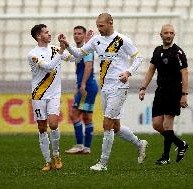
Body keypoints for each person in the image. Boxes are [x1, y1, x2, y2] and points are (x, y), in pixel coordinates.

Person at [59, 13, 148, 171]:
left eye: (102, 25)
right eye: (97, 25)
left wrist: (128, 72)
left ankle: (103, 163)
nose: (99, 29)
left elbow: (139, 57)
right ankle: (140, 143)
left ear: (110, 23)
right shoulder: (96, 40)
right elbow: (79, 54)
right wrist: (67, 45)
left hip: (119, 87)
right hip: (105, 87)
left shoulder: (122, 40)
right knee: (116, 127)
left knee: (107, 124)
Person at [139, 24, 189, 165]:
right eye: (166, 33)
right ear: (160, 35)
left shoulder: (178, 52)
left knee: (168, 124)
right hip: (160, 91)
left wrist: (184, 94)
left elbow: (184, 73)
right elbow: (151, 70)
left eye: (171, 33)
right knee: (156, 125)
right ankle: (181, 144)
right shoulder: (157, 51)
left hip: (174, 91)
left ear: (174, 35)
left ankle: (165, 157)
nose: (168, 35)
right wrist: (143, 87)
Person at [28, 24, 68, 171]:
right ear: (39, 36)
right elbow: (49, 66)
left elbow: (74, 58)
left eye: (49, 31)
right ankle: (47, 161)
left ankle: (56, 154)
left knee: (53, 124)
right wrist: (62, 50)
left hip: (54, 94)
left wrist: (79, 45)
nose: (49, 34)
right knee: (41, 127)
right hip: (39, 94)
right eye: (46, 32)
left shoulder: (56, 49)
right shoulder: (32, 54)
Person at [65, 26, 98, 154]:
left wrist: (83, 85)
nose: (76, 35)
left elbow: (88, 66)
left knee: (74, 114)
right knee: (87, 117)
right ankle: (87, 148)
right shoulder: (79, 50)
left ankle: (79, 145)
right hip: (89, 86)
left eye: (79, 33)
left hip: (88, 86)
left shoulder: (86, 50)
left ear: (84, 36)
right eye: (75, 33)